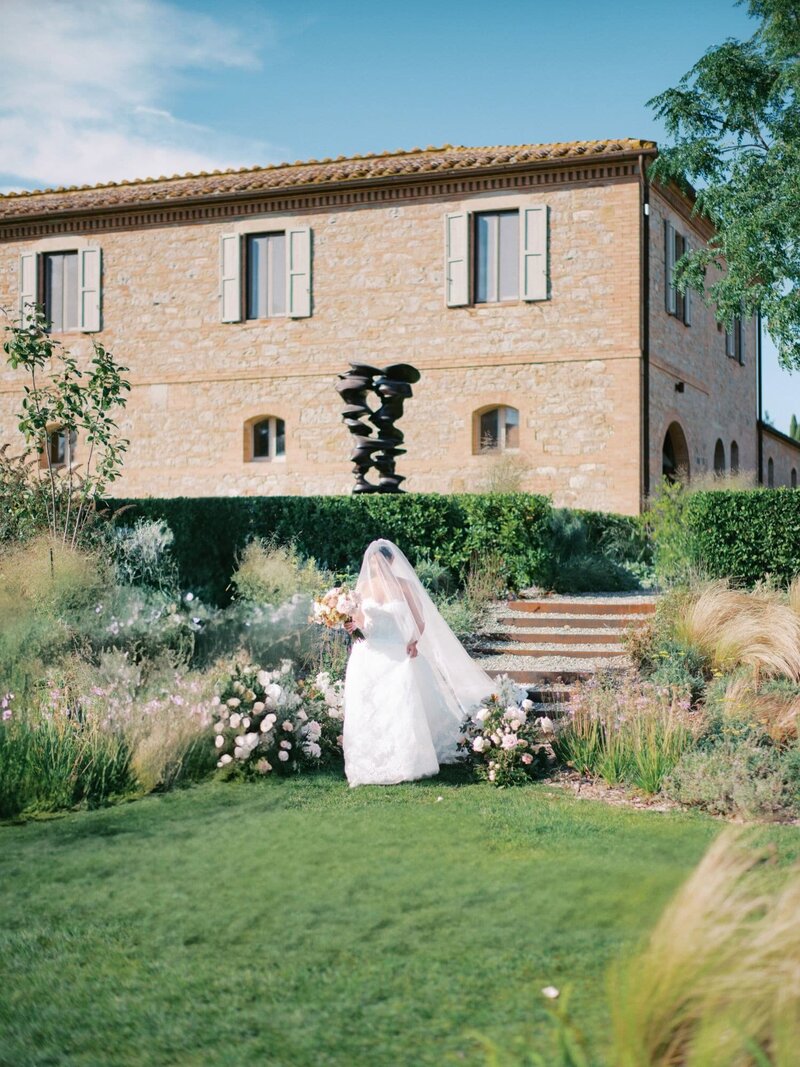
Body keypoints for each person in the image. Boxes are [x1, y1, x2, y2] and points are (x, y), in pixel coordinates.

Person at [342, 539, 495, 786]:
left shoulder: (404, 586)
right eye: (373, 562)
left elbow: (420, 620)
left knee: (398, 705)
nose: (376, 567)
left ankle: (406, 759)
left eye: (380, 562)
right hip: (369, 653)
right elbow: (360, 620)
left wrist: (414, 642)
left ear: (391, 562)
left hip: (398, 653)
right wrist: (351, 625)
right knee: (370, 705)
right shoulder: (362, 589)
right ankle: (369, 759)